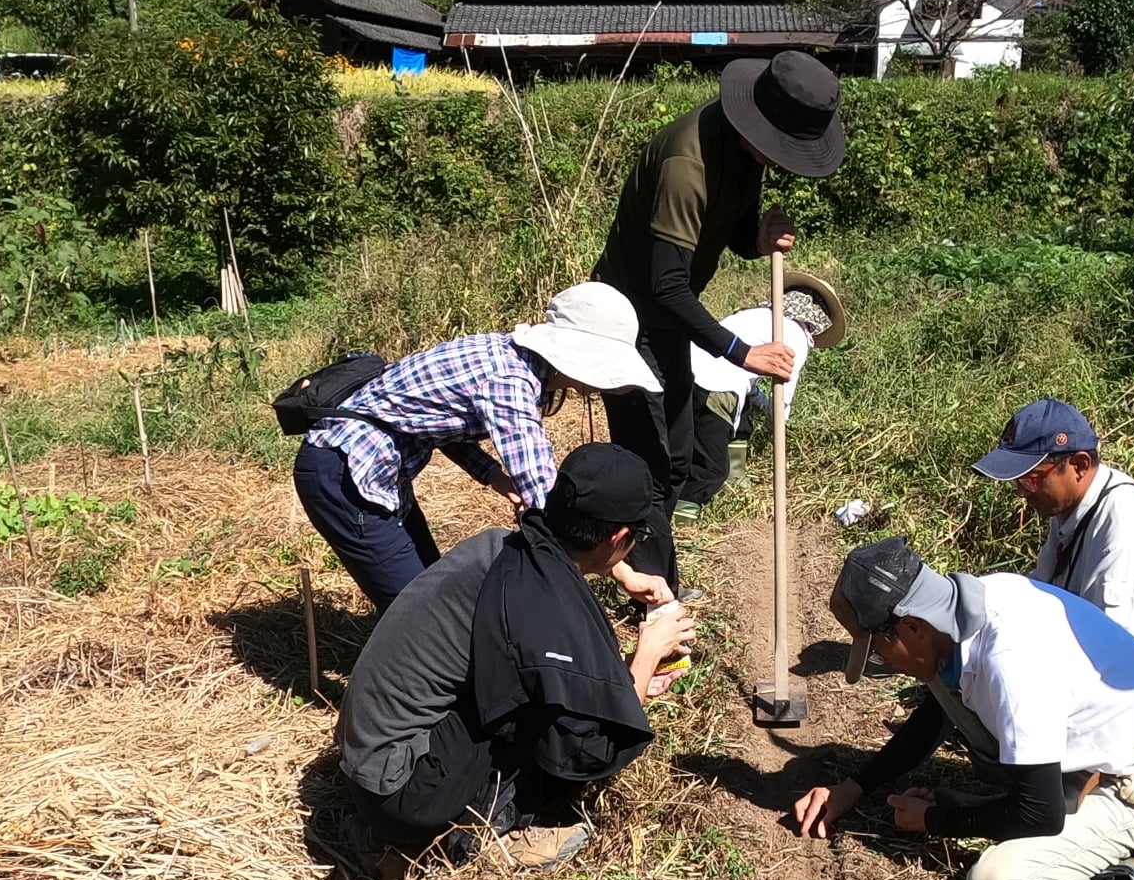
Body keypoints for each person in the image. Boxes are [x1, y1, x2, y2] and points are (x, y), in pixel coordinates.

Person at [333, 444, 697, 880]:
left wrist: (620, 672)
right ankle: (473, 837)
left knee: (528, 692)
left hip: (368, 759)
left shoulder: (503, 548)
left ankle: (399, 831)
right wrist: (645, 658)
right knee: (543, 721)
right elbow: (591, 746)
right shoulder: (539, 602)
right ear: (619, 538)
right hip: (403, 790)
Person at [793, 537, 1134, 880]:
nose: (888, 664)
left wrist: (934, 820)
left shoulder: (1010, 661)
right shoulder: (966, 612)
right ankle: (1067, 808)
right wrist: (854, 786)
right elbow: (936, 715)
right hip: (1085, 765)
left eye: (881, 650)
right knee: (937, 678)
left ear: (912, 627)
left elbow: (1040, 813)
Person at [591, 51, 847, 589]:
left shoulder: (745, 151)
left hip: (668, 325)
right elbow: (667, 284)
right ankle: (659, 596)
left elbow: (728, 229)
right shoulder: (689, 164)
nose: (779, 162)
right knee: (650, 467)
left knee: (678, 458)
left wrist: (755, 240)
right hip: (627, 324)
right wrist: (741, 352)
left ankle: (649, 571)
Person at [293, 282, 670, 612]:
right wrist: (623, 571)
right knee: (419, 612)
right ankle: (411, 681)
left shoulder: (507, 356)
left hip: (374, 470)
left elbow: (435, 422)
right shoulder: (510, 382)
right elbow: (550, 501)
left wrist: (496, 478)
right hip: (345, 473)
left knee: (427, 586)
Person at [972, 399, 1134, 735]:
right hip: (1109, 673)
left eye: (1029, 480)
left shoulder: (1126, 539)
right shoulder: (1073, 509)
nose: (1020, 493)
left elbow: (1109, 664)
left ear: (1078, 465)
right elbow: (1035, 597)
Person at [680, 272, 847, 508]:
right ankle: (685, 514)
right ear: (817, 322)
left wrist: (762, 404)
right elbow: (784, 389)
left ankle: (736, 477)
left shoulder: (754, 316)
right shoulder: (797, 337)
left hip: (685, 371)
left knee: (738, 421)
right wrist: (777, 419)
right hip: (717, 386)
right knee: (710, 468)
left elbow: (747, 376)